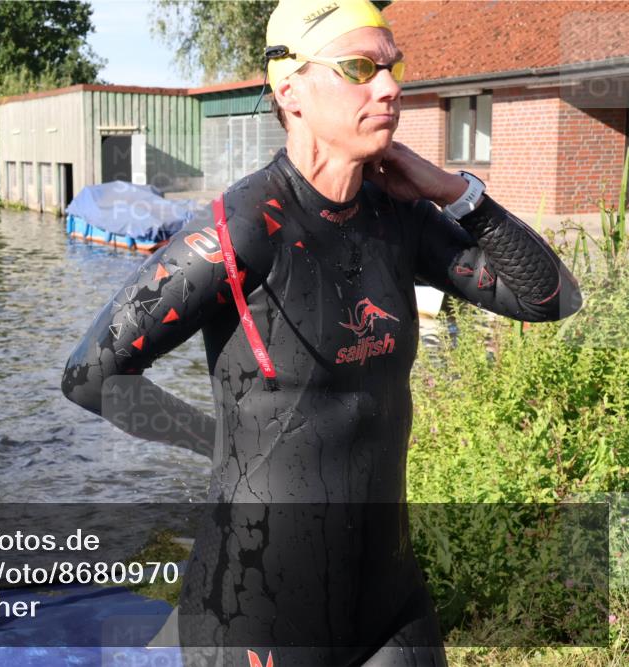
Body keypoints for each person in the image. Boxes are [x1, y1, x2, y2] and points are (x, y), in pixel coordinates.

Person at [62, 1, 582, 665]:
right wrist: (213, 441)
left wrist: (455, 192)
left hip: (387, 597)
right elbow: (90, 375)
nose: (389, 87)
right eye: (360, 68)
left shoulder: (400, 217)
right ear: (291, 90)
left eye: (393, 68)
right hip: (256, 601)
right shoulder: (240, 227)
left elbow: (550, 297)